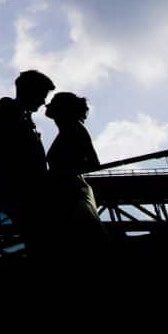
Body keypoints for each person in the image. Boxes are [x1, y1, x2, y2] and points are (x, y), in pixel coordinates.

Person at [0, 69, 54, 247]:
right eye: (41, 95)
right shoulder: (8, 107)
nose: (43, 101)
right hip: (18, 188)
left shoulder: (20, 114)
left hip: (22, 188)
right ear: (29, 91)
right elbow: (12, 147)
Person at [42, 91, 107, 252]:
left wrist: (63, 172)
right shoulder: (70, 129)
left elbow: (93, 163)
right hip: (71, 191)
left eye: (53, 102)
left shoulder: (74, 128)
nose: (47, 105)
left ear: (62, 109)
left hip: (73, 192)